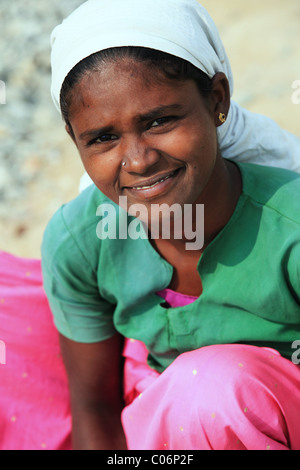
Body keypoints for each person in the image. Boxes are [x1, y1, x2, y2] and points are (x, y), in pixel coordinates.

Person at [34, 0, 300, 450]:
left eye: (159, 121)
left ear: (217, 99)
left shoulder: (288, 230)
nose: (138, 160)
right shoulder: (81, 243)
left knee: (209, 391)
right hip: (170, 428)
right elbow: (96, 409)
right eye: (103, 138)